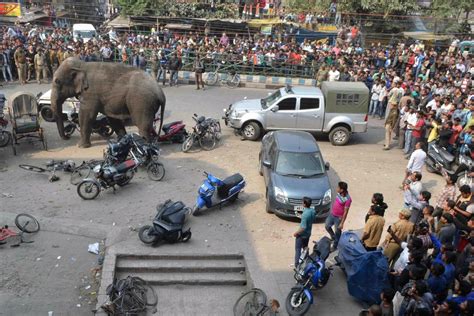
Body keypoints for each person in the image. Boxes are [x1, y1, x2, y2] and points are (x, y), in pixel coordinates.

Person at [325, 181, 351, 251]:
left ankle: (335, 246)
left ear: (342, 190)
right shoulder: (339, 193)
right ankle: (333, 238)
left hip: (338, 218)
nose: (337, 188)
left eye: (338, 187)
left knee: (338, 232)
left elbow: (346, 212)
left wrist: (342, 223)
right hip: (332, 214)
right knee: (327, 226)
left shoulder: (348, 199)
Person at [292, 197, 315, 267]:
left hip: (302, 235)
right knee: (305, 248)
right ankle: (307, 261)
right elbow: (313, 219)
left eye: (302, 202)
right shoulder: (312, 211)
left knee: (298, 249)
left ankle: (297, 264)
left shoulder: (305, 215)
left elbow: (303, 227)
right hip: (308, 234)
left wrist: (296, 233)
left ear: (305, 204)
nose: (302, 203)